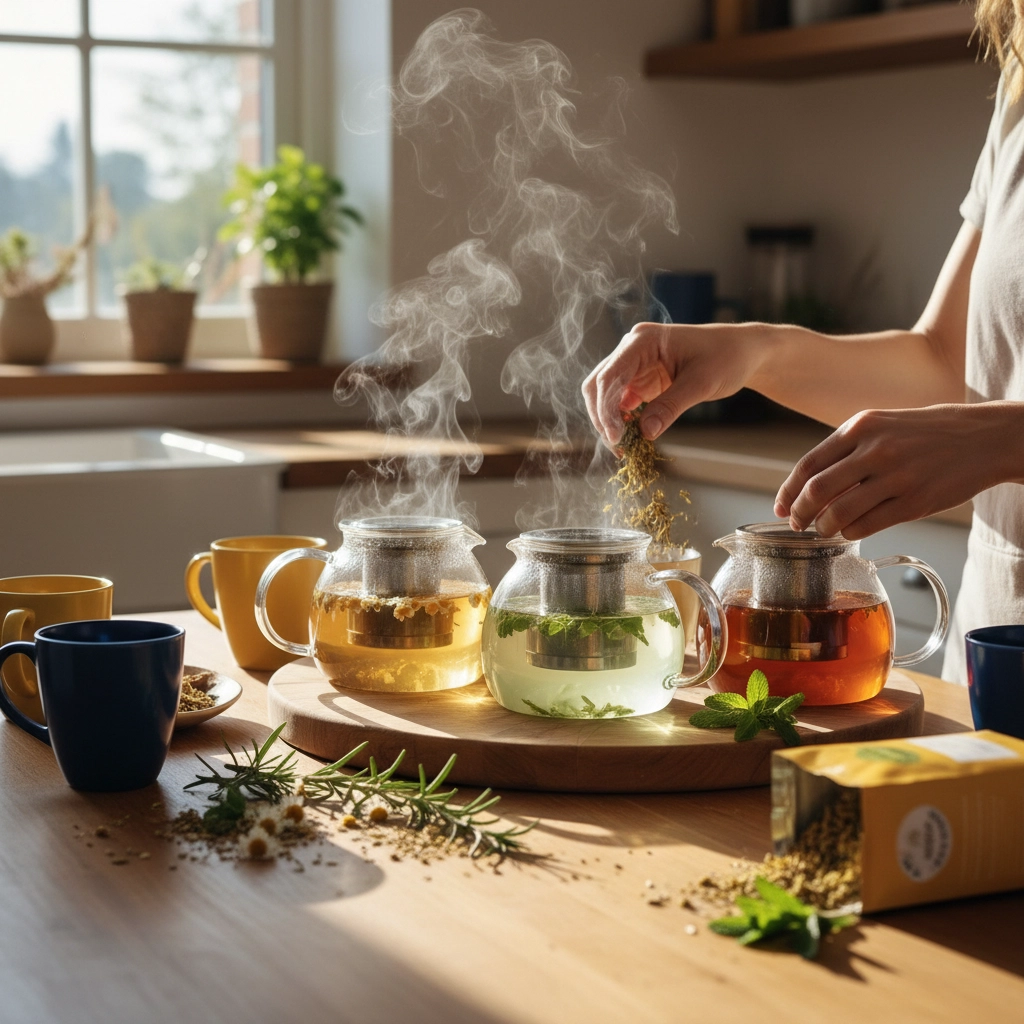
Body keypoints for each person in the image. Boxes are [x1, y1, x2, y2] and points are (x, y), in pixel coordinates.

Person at [582, 6, 1024, 685]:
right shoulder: (1019, 90)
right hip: (997, 648)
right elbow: (946, 366)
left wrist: (1001, 443)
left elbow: (977, 419)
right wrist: (755, 353)